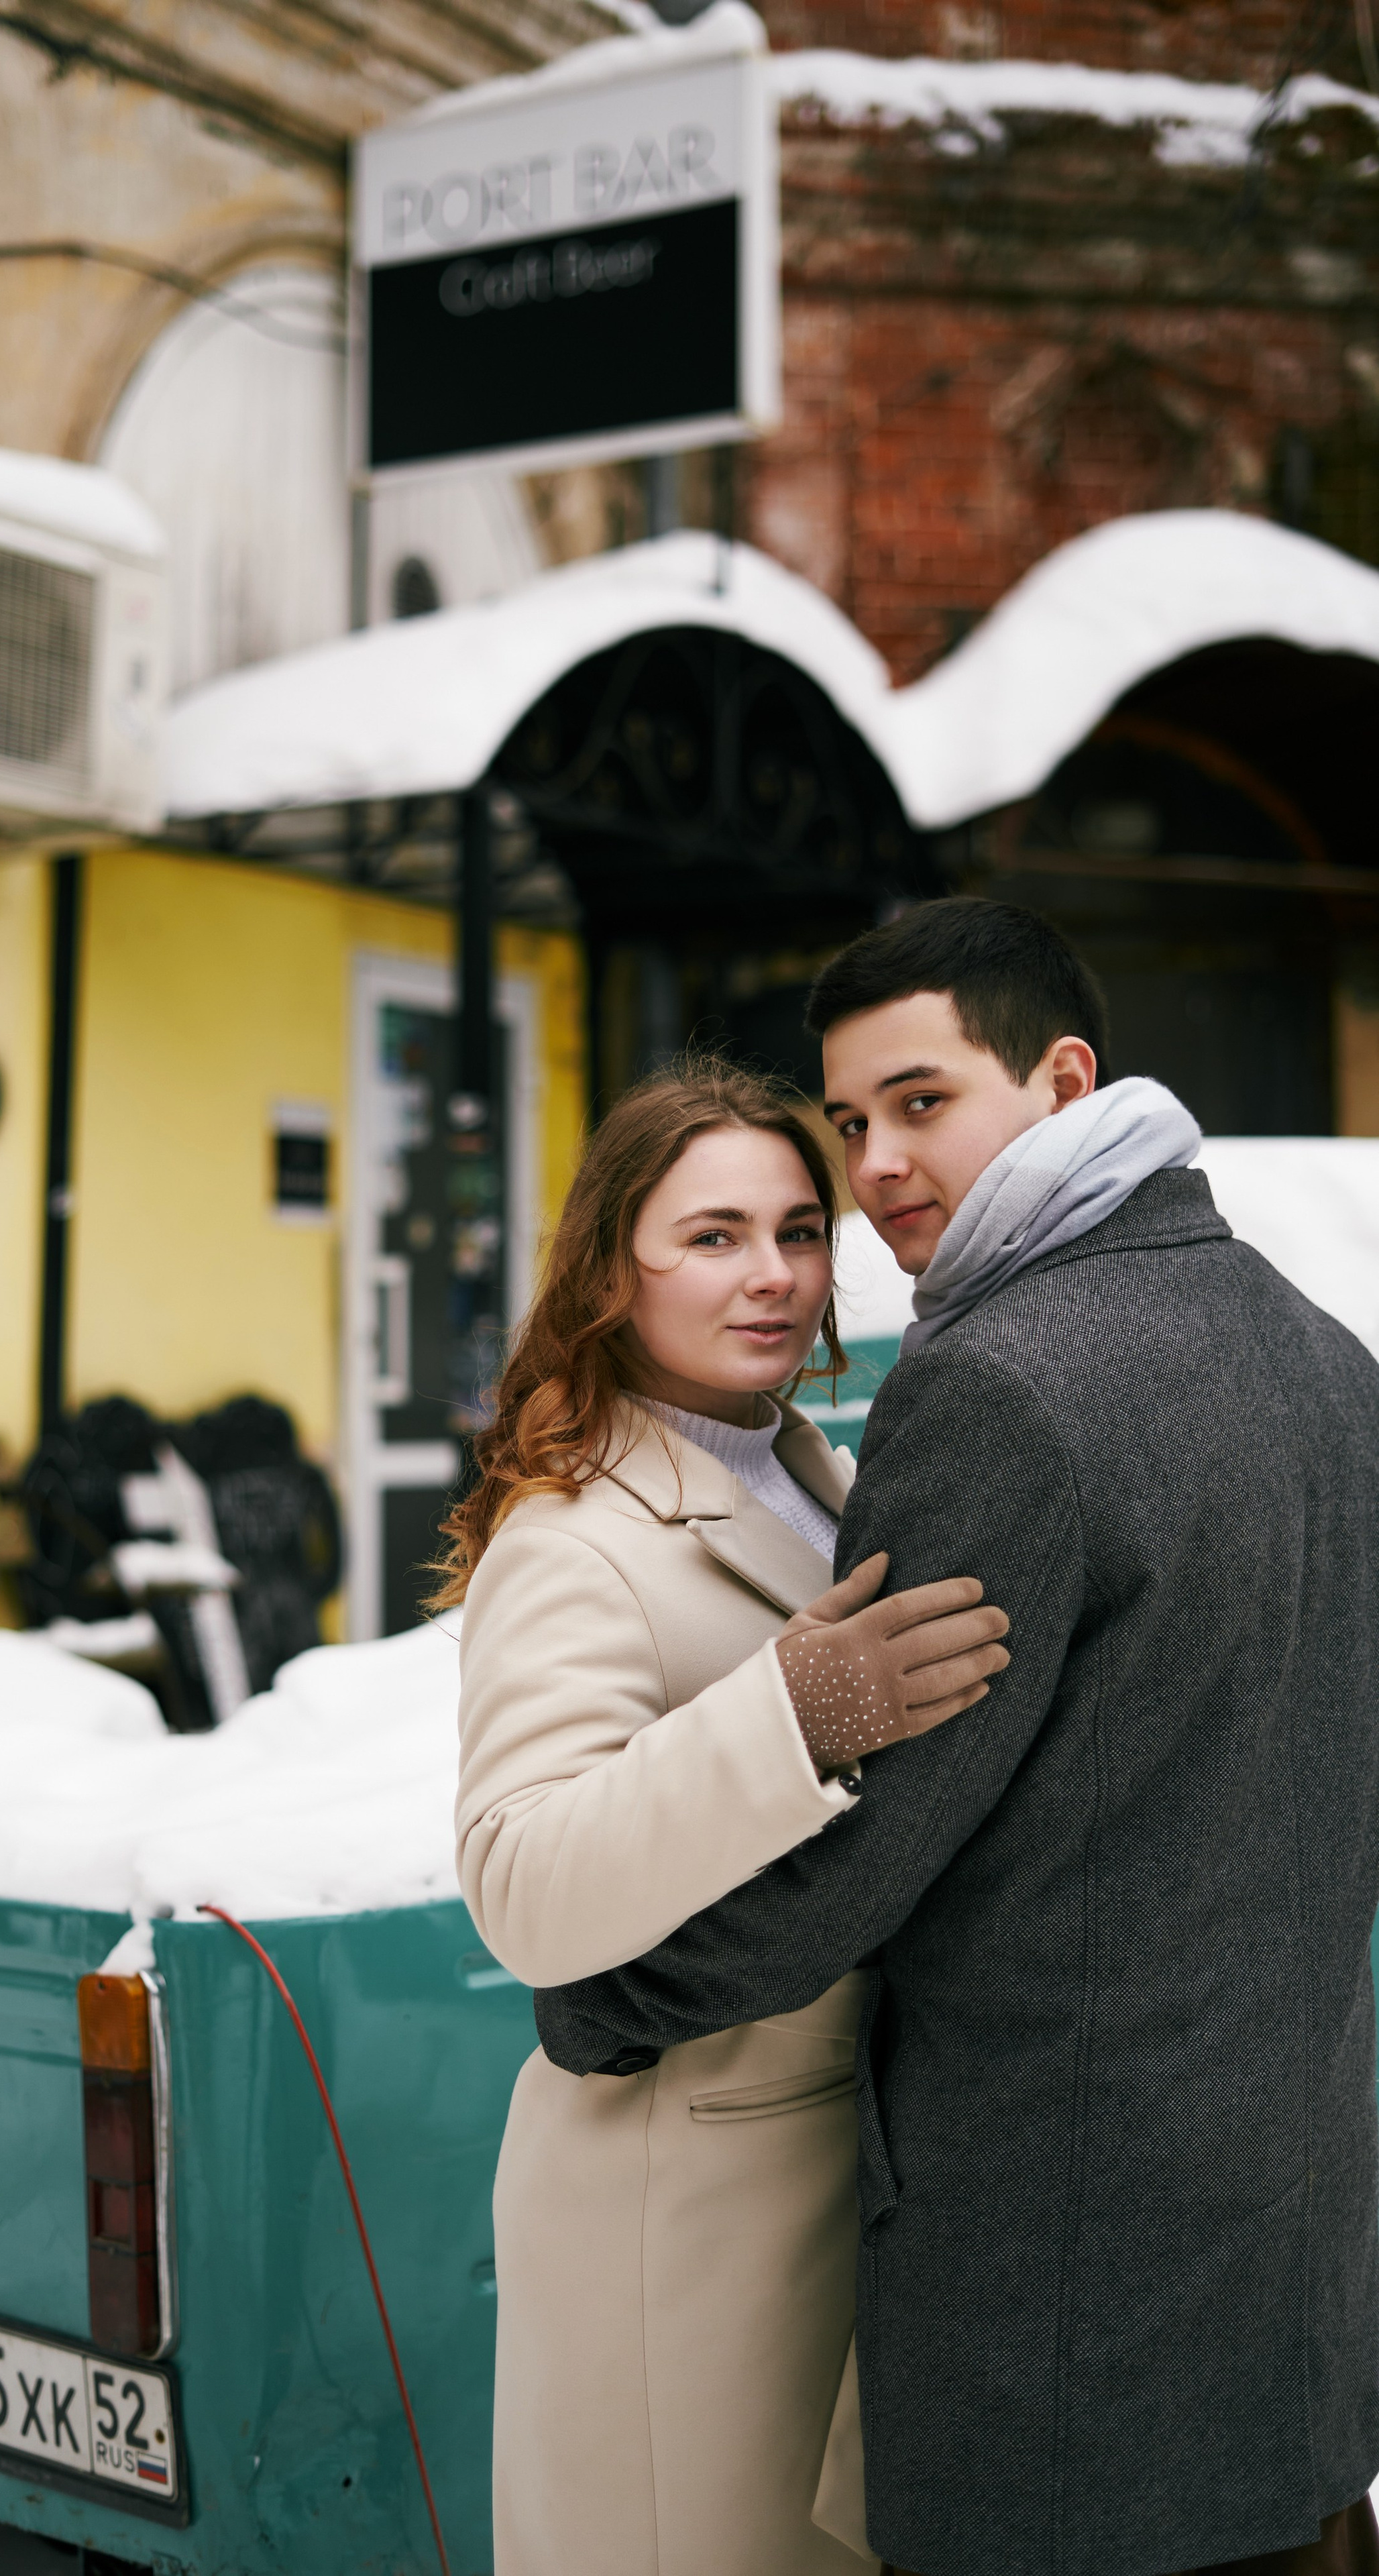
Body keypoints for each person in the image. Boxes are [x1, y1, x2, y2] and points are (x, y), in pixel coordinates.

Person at [537, 900, 1379, 2576]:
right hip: (1293, 2282)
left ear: (1062, 1080)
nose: (875, 1168)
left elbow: (874, 1832)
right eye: (847, 1122)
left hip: (1065, 2304)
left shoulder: (997, 1386)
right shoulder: (1327, 1358)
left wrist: (610, 2000)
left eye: (920, 1103)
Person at [444, 1057, 1011, 2576]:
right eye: (709, 1238)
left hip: (812, 2175)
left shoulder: (805, 1471)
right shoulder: (572, 1538)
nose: (768, 1276)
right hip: (677, 2208)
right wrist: (795, 1714)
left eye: (794, 1230)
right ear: (609, 1268)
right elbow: (521, 1886)